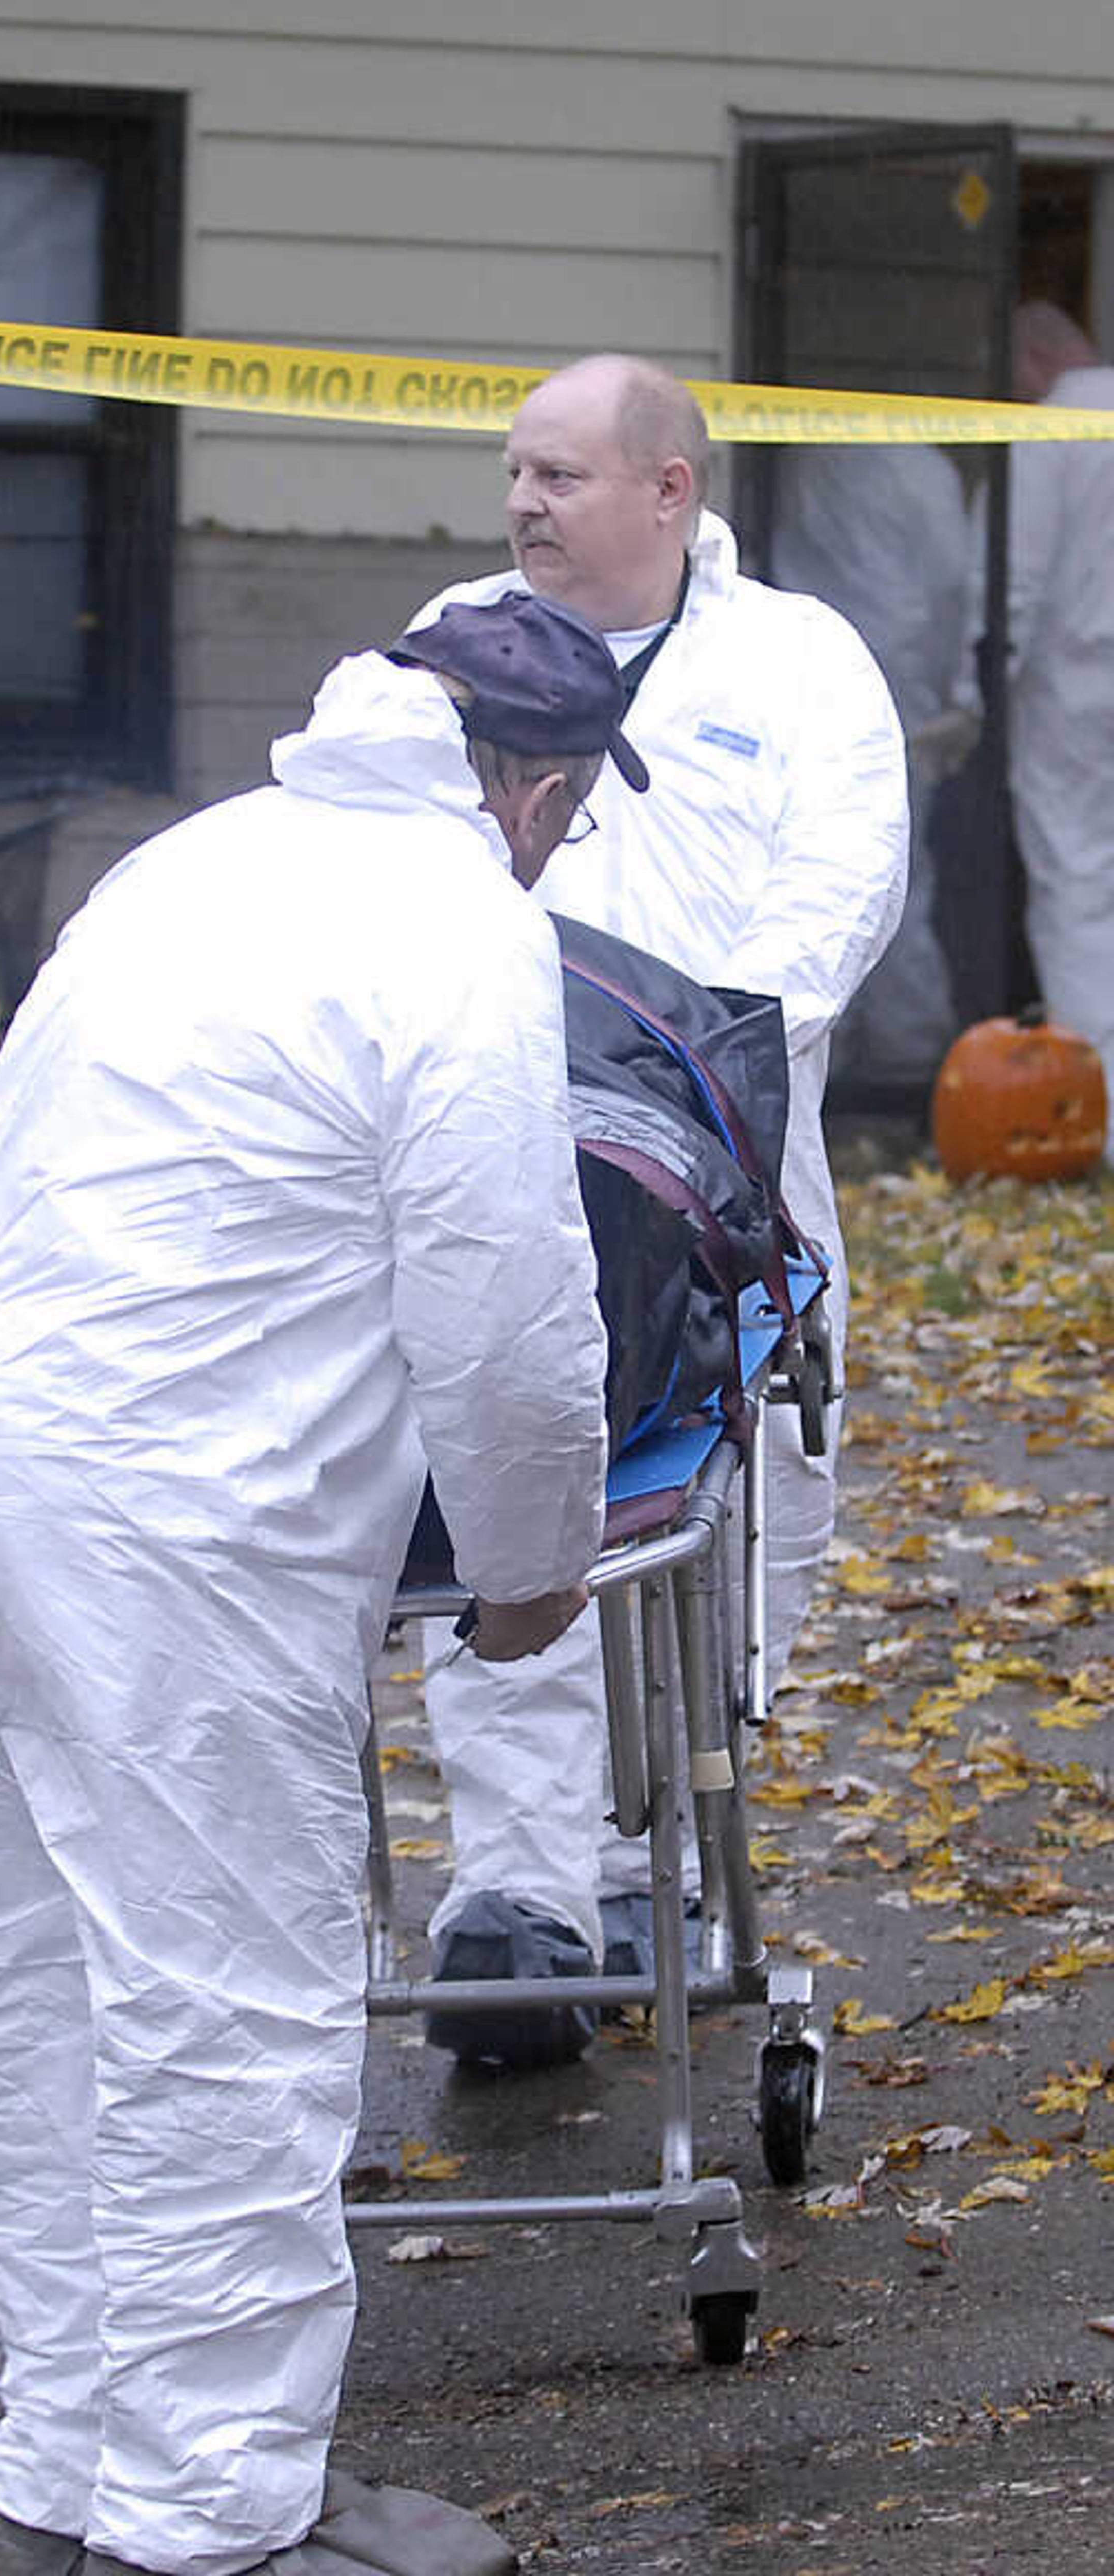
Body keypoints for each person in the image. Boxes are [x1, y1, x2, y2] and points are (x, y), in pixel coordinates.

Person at [0, 595, 623, 2576]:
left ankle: (70, 2469)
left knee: (40, 1995)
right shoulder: (464, 925)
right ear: (530, 787)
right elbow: (509, 1314)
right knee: (228, 2010)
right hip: (158, 1513)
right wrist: (536, 1568)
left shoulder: (188, 856)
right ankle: (207, 2517)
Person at [403, 354, 908, 2062]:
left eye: (559, 475)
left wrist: (678, 1071)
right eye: (516, 474)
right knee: (505, 1497)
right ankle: (521, 1899)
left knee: (719, 1527)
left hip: (717, 1175)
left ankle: (664, 1863)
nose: (524, 504)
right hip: (489, 1161)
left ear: (671, 493)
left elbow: (834, 897)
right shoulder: (456, 634)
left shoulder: (799, 665)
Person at [771, 442, 971, 1089]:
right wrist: (961, 694)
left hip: (806, 676)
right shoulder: (920, 468)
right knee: (899, 871)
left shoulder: (803, 463)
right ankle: (909, 1054)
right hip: (902, 679)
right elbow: (951, 586)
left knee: (818, 862)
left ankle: (844, 1048)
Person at [990, 301, 1114, 1155]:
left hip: (1074, 687)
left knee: (1077, 888)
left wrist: (981, 696)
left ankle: (1096, 1114)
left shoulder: (1053, 429)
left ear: (1030, 362)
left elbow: (1018, 579)